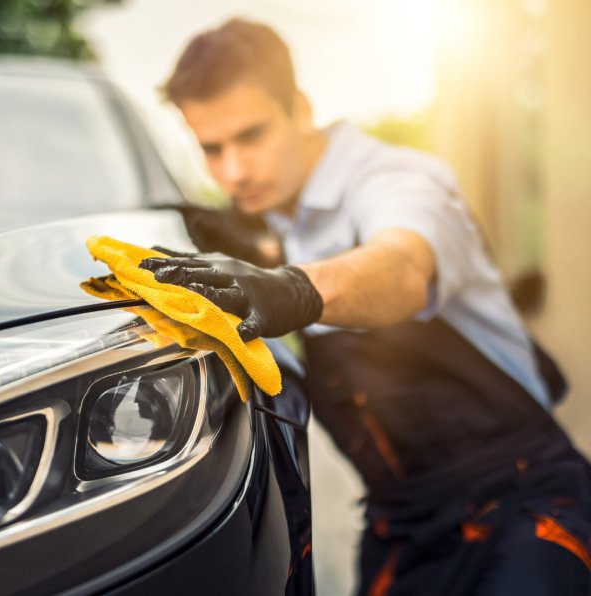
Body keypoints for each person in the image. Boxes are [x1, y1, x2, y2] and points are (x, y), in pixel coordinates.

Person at [140, 18, 591, 595]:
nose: (234, 171)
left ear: (300, 108)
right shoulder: (279, 220)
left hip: (521, 507)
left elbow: (402, 267)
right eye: (211, 148)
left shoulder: (398, 179)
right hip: (400, 529)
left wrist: (294, 289)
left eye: (251, 137)